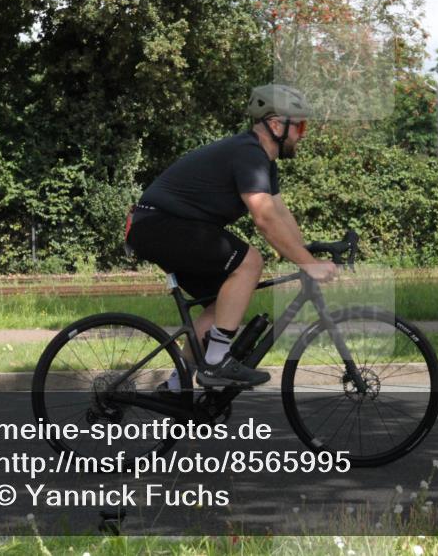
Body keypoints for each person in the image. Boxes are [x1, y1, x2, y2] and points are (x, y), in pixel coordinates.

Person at [126, 84, 338, 389]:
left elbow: (279, 214)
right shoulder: (248, 153)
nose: (302, 134)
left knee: (222, 305)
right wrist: (308, 263)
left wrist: (307, 253)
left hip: (163, 226)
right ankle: (216, 363)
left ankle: (175, 388)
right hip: (159, 223)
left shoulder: (263, 162)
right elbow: (264, 218)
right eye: (300, 126)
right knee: (250, 261)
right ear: (276, 125)